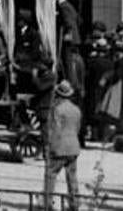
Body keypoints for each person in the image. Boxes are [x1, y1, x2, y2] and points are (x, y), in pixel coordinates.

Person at [44, 80, 82, 211]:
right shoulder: (76, 110)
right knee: (72, 176)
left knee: (51, 174)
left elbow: (54, 130)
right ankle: (74, 203)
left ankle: (48, 203)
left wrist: (49, 146)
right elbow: (77, 128)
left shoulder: (57, 110)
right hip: (73, 146)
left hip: (60, 146)